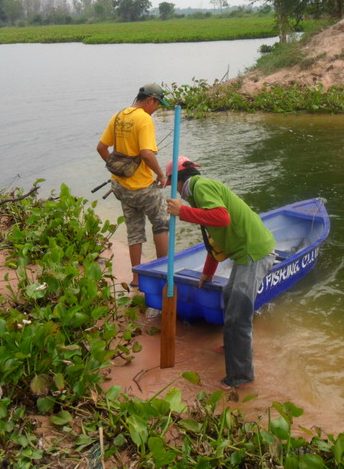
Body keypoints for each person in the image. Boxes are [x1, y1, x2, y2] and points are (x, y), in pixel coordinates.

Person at [165, 157, 276, 390]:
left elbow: (221, 218)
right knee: (228, 295)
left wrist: (183, 212)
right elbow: (215, 239)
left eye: (171, 184)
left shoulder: (200, 186)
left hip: (253, 252)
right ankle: (234, 346)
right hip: (243, 253)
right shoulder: (197, 194)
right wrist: (208, 272)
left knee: (238, 314)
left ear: (176, 181)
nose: (174, 190)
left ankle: (241, 377)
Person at [97, 83, 171, 286]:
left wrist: (118, 168)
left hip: (121, 186)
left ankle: (136, 278)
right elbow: (147, 153)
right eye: (157, 104)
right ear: (150, 100)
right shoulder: (145, 119)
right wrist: (161, 175)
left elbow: (102, 148)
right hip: (143, 187)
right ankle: (163, 272)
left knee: (134, 230)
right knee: (162, 223)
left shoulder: (119, 115)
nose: (156, 109)